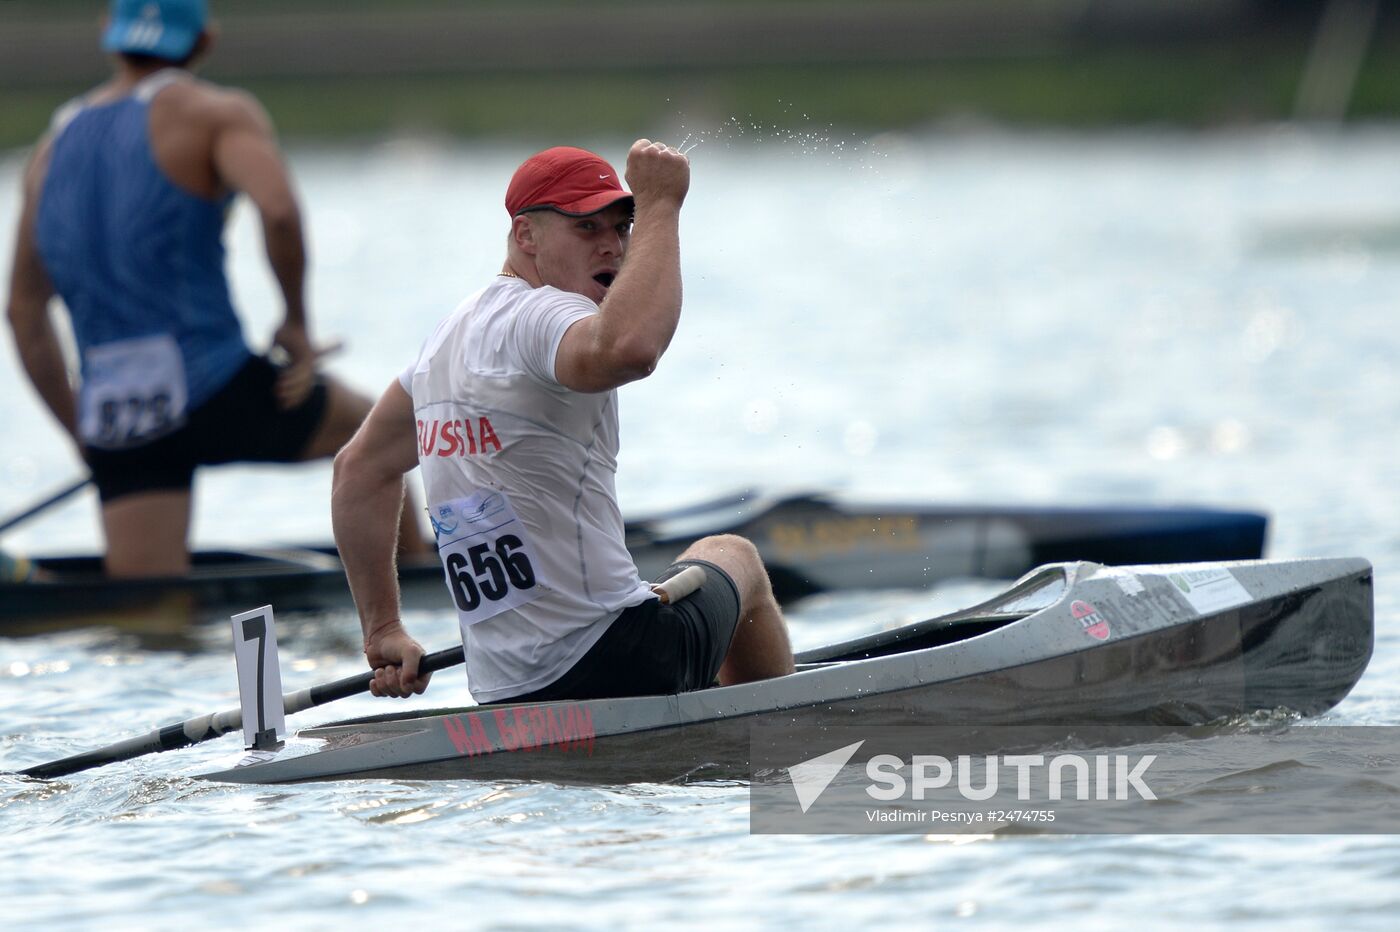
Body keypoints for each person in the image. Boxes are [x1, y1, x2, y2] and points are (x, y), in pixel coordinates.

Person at [332, 140, 796, 703]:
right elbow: (629, 348)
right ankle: (781, 747)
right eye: (586, 228)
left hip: (504, 688)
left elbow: (357, 471)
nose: (613, 247)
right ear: (525, 236)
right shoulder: (542, 313)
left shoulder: (441, 348)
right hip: (619, 658)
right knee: (734, 555)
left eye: (623, 227)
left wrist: (382, 629)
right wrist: (661, 205)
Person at [5, 0, 426, 577]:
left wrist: (83, 432)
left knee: (149, 605)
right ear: (204, 41)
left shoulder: (49, 150)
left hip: (117, 419)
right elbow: (278, 211)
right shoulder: (215, 114)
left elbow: (23, 311)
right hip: (220, 389)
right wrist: (296, 324)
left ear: (109, 34)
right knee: (377, 435)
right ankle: (412, 580)